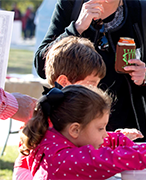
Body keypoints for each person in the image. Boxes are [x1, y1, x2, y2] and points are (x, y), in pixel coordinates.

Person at [34, 0, 146, 142]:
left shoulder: (143, 10)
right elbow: (42, 65)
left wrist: (145, 78)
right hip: (78, 132)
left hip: (131, 131)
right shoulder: (71, 5)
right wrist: (76, 28)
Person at [19, 85, 146, 179]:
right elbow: (106, 159)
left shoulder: (55, 140)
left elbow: (105, 141)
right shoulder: (62, 160)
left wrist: (120, 139)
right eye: (100, 128)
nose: (105, 133)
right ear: (75, 129)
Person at [13, 36, 109, 180]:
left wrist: (119, 138)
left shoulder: (79, 115)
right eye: (90, 84)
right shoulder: (46, 120)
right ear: (64, 82)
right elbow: (23, 167)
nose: (95, 90)